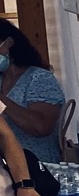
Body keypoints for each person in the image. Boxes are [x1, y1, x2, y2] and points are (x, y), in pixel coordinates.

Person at [0, 21, 65, 167]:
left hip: (37, 166)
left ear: (8, 43)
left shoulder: (39, 78)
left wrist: (2, 100)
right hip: (5, 167)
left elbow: (41, 127)